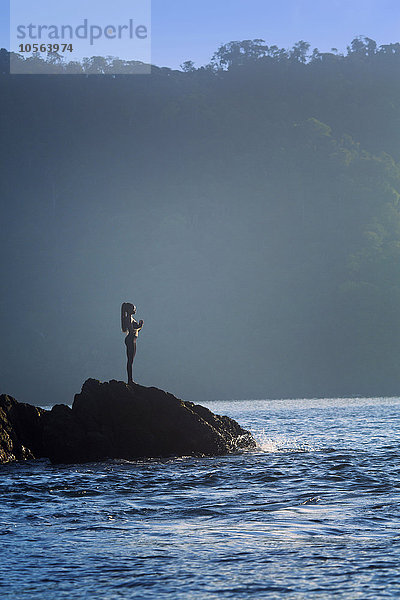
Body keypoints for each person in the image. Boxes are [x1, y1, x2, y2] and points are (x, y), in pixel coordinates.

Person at [121, 303, 143, 386]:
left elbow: (136, 330)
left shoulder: (131, 319)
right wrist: (140, 326)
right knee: (130, 361)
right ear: (129, 310)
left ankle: (130, 380)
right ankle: (130, 380)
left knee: (131, 361)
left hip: (133, 339)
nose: (135, 310)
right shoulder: (128, 319)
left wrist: (140, 326)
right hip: (130, 339)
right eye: (133, 308)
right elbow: (132, 329)